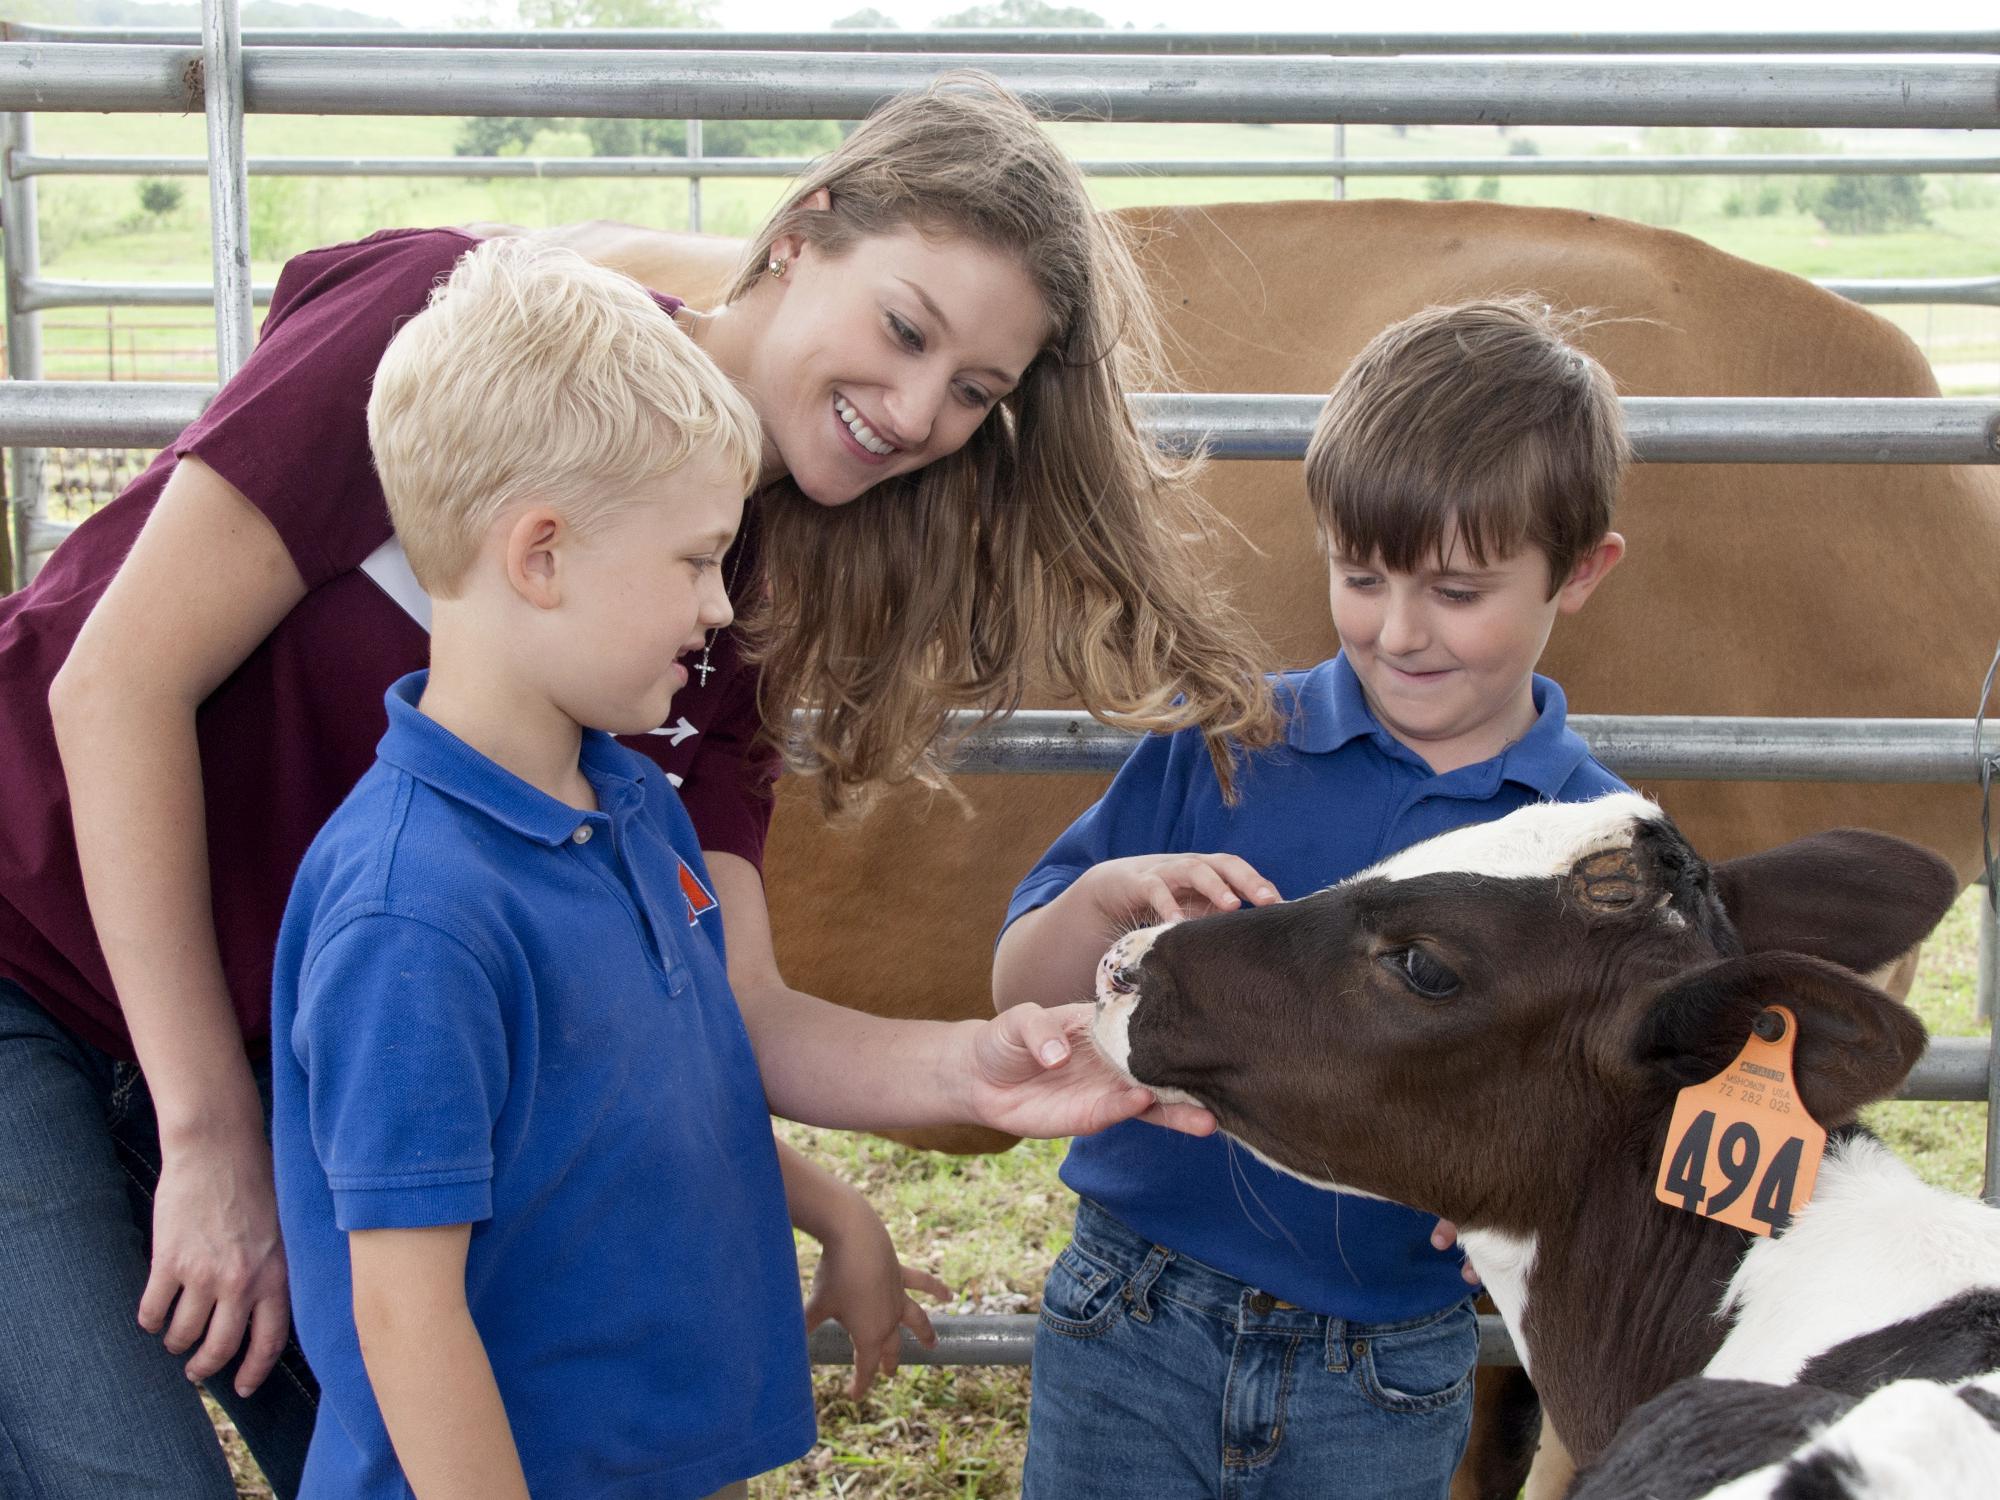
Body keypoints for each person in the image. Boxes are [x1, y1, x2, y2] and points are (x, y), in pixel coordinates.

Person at [0, 74, 1274, 1499]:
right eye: (907, 330)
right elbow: (113, 686)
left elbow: (724, 995)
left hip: (317, 1044)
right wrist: (209, 1137)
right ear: (803, 231)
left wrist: (969, 1071)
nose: (919, 411)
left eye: (975, 392)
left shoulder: (717, 607)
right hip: (35, 956)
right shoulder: (455, 340)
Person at [992, 297, 1633, 1499]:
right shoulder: (1228, 743)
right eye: (1359, 575)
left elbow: (1615, 1118)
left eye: (1455, 591)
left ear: (1582, 571)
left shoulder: (1593, 856)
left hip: (1383, 1364)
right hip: (1135, 1311)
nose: (1396, 633)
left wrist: (1537, 1193)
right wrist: (1107, 900)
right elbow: (1017, 988)